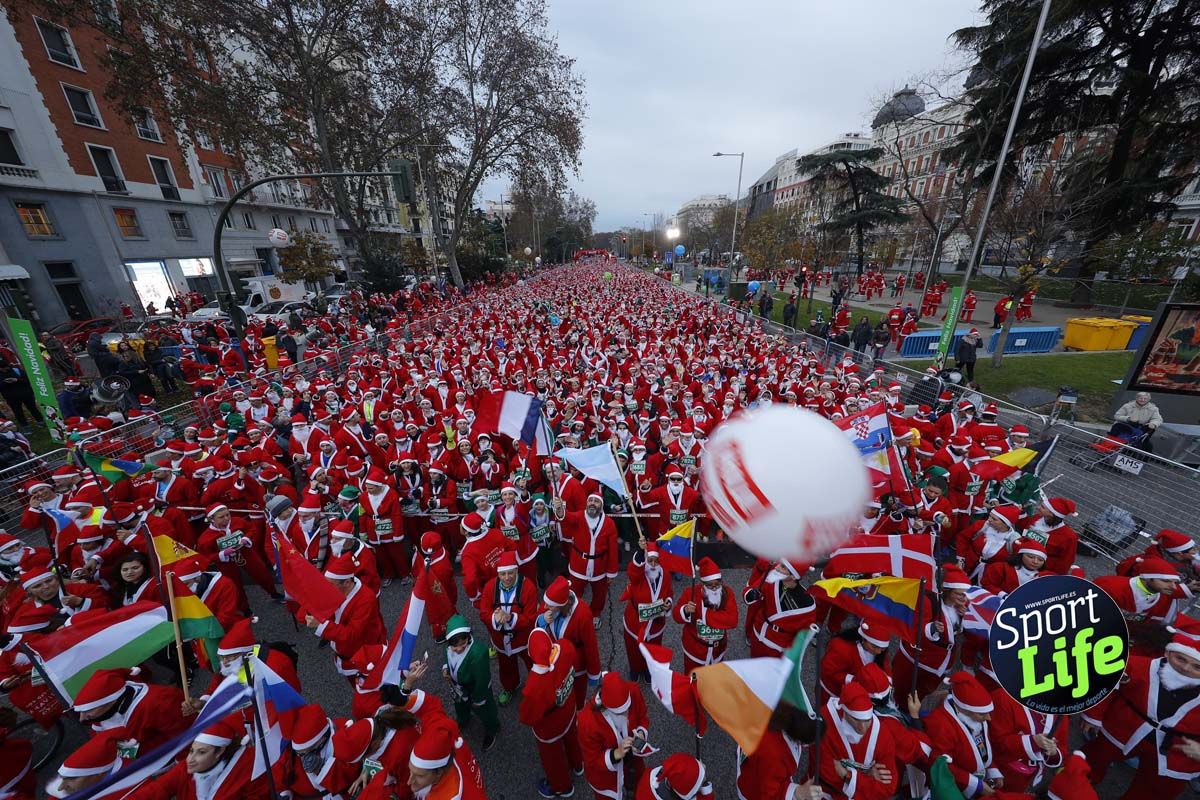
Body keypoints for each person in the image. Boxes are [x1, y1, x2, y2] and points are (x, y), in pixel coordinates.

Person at [441, 614, 500, 751]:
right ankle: (463, 720)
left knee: (485, 711)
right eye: (455, 646)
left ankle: (492, 729)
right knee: (460, 706)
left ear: (469, 636)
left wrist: (478, 699)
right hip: (458, 687)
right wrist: (446, 668)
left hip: (475, 689)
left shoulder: (478, 653)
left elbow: (482, 679)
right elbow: (448, 657)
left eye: (463, 644)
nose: (459, 649)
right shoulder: (449, 646)